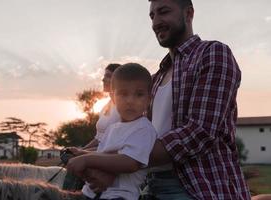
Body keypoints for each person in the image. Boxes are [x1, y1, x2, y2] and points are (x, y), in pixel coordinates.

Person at [139, 0, 251, 199]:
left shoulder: (213, 53)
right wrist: (94, 154)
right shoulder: (155, 78)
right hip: (151, 185)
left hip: (198, 187)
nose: (156, 22)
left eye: (163, 12)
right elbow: (139, 132)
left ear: (189, 13)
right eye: (152, 16)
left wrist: (126, 157)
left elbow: (199, 131)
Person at [66, 63, 157, 200]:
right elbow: (103, 154)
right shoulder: (112, 128)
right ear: (113, 98)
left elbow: (130, 162)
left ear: (149, 100)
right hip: (94, 192)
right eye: (123, 94)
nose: (130, 101)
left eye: (139, 94)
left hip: (120, 195)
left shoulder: (144, 129)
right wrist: (81, 153)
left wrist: (86, 159)